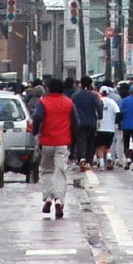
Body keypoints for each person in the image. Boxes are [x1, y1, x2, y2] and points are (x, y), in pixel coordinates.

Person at [32, 78, 79, 219]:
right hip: (63, 141)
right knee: (60, 171)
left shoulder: (43, 102)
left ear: (48, 88)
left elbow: (37, 117)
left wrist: (35, 131)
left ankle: (47, 198)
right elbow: (76, 122)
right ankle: (59, 199)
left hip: (46, 141)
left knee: (46, 170)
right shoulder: (68, 103)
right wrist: (73, 140)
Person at [71, 76, 103, 171]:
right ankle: (89, 160)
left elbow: (71, 108)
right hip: (91, 121)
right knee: (91, 141)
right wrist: (100, 116)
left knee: (80, 140)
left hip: (79, 122)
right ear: (90, 84)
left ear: (81, 84)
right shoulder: (94, 96)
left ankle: (81, 158)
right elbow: (99, 107)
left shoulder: (75, 96)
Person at [96, 86, 120, 170]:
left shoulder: (98, 101)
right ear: (108, 93)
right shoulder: (112, 102)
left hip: (100, 128)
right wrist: (116, 122)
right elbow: (118, 113)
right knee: (108, 146)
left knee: (100, 147)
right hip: (110, 128)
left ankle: (102, 164)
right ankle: (109, 157)